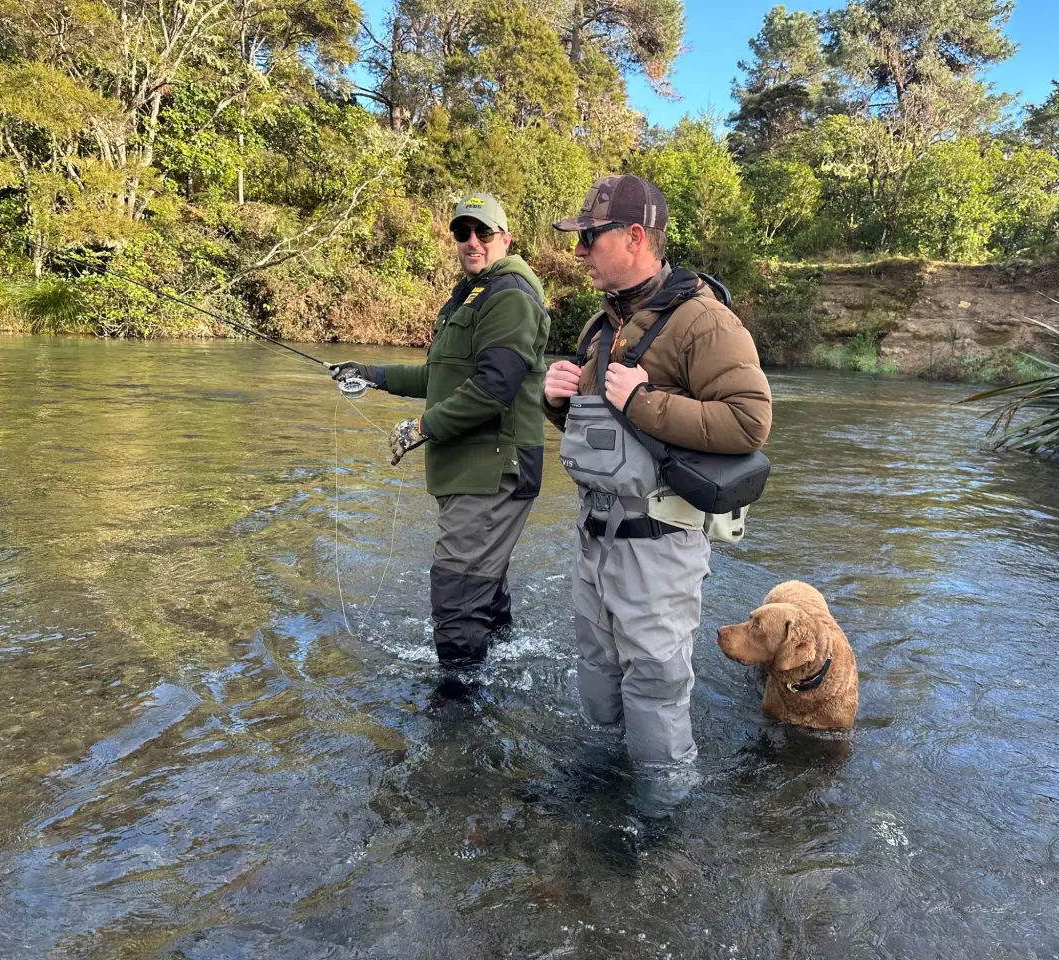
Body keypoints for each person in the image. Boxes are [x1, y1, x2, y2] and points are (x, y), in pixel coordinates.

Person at [543, 174, 772, 772]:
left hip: (659, 543)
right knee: (596, 678)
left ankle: (660, 827)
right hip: (593, 538)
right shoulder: (598, 327)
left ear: (635, 236)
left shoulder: (706, 321)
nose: (579, 251)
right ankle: (597, 794)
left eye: (590, 237)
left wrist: (644, 401)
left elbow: (751, 422)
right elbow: (600, 438)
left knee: (655, 690)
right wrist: (557, 401)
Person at [330, 192, 551, 667]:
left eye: (483, 232)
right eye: (461, 233)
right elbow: (441, 376)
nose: (472, 242)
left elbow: (495, 387)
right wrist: (371, 374)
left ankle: (457, 708)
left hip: (494, 468)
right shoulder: (471, 295)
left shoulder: (510, 296)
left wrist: (421, 427)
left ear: (505, 238)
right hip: (472, 469)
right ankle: (501, 673)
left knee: (456, 598)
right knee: (483, 590)